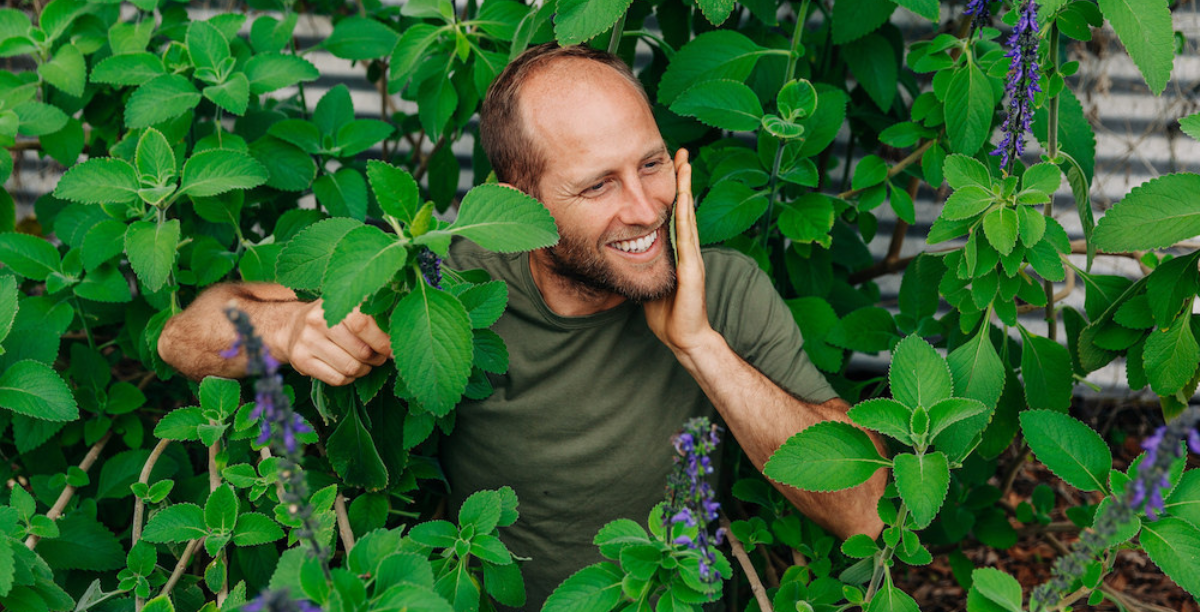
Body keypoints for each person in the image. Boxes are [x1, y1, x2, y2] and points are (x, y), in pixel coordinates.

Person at [158, 43, 886, 608]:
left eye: (653, 163)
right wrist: (285, 333)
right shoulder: (443, 282)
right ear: (522, 204)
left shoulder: (721, 287)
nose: (645, 207)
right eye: (597, 184)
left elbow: (868, 512)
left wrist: (701, 348)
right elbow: (182, 336)